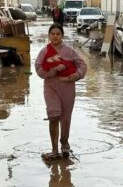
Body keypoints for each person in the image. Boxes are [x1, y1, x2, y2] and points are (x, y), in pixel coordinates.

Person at [35, 24, 87, 160]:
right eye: (52, 34)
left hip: (67, 88)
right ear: (49, 36)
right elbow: (38, 68)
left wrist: (76, 75)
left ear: (62, 36)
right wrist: (52, 71)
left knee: (65, 118)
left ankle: (64, 142)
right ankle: (54, 149)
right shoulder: (44, 52)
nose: (55, 36)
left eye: (58, 34)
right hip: (51, 87)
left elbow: (82, 65)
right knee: (54, 116)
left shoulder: (70, 52)